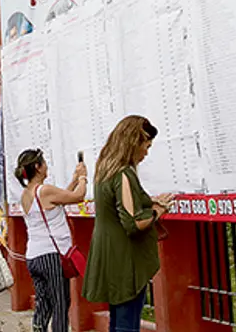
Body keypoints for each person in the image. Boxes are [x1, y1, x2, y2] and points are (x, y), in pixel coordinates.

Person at [83, 116, 174, 332]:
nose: (146, 153)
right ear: (134, 142)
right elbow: (134, 222)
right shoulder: (124, 173)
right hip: (124, 258)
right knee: (127, 324)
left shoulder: (104, 170)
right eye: (146, 146)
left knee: (117, 321)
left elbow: (120, 205)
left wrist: (149, 202)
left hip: (108, 252)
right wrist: (158, 210)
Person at [16, 149, 87, 332]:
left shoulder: (26, 194)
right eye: (44, 163)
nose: (47, 166)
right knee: (60, 304)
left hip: (34, 256)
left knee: (43, 303)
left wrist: (73, 179)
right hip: (51, 255)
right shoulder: (44, 190)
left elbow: (60, 199)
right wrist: (83, 178)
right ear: (38, 167)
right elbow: (78, 196)